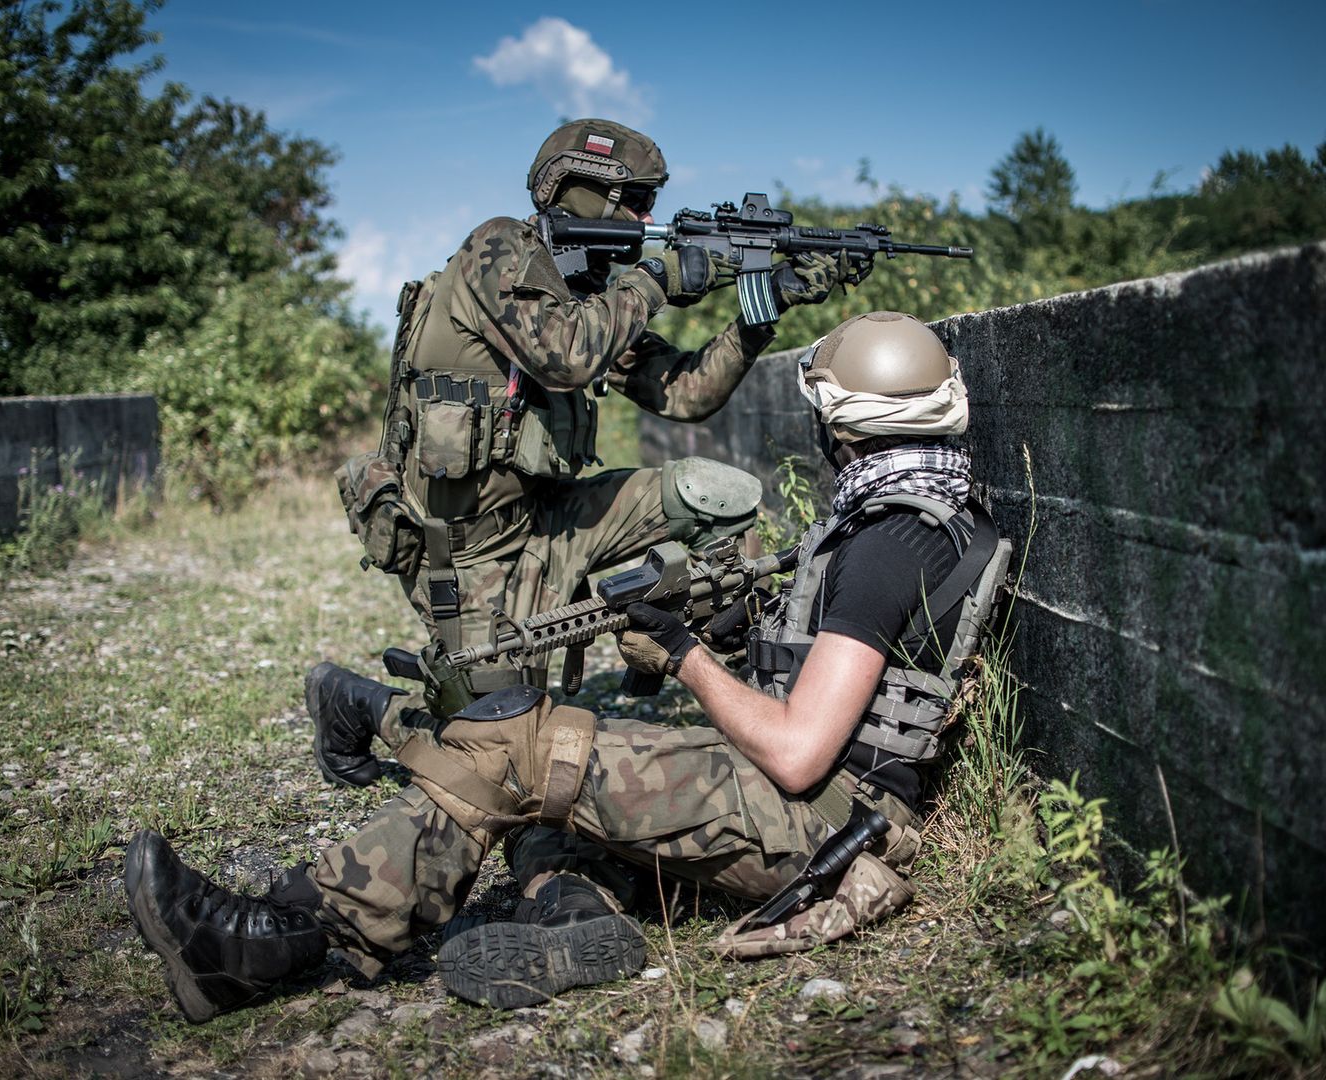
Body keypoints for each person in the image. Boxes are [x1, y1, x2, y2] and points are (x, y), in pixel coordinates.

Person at [125, 311, 1010, 1020]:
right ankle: (575, 911)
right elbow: (842, 685)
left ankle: (275, 933)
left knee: (523, 748)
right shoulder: (926, 514)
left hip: (822, 830)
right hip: (823, 815)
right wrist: (738, 632)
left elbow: (796, 751)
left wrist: (683, 653)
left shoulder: (888, 543)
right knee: (550, 781)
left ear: (843, 429)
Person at [334, 117, 869, 713]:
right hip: (469, 554)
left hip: (552, 519)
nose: (646, 221)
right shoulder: (498, 250)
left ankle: (761, 694)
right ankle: (362, 707)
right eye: (636, 202)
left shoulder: (582, 294)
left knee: (716, 495)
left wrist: (768, 302)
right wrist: (658, 278)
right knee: (498, 744)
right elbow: (565, 357)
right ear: (583, 191)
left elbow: (686, 393)